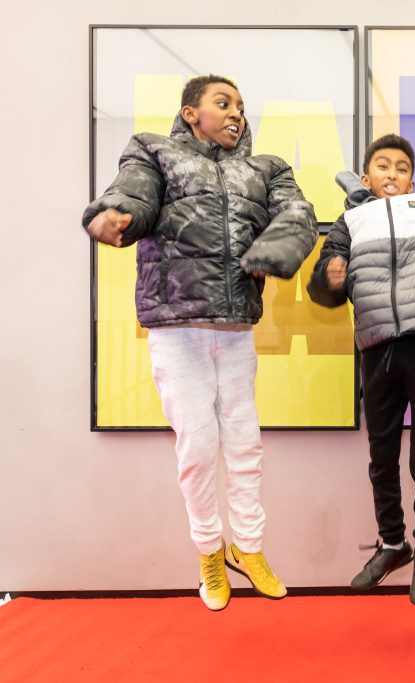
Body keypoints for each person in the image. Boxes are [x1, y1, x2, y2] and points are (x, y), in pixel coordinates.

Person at [83, 75, 318, 611]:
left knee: (244, 443)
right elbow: (133, 194)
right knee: (197, 447)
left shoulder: (267, 167)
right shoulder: (154, 150)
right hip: (178, 326)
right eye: (222, 102)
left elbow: (297, 213)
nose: (236, 112)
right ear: (191, 113)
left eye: (240, 104)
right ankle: (209, 552)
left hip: (234, 328)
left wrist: (272, 251)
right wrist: (117, 217)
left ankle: (249, 547)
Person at [307, 134, 415, 606]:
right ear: (367, 176)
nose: (391, 174)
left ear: (412, 179)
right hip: (375, 347)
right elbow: (324, 285)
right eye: (382, 166)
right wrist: (329, 277)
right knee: (382, 455)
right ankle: (392, 542)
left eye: (400, 167)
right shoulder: (351, 221)